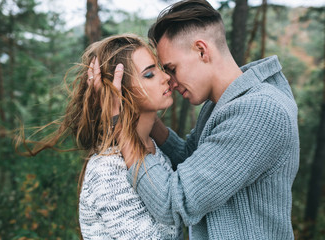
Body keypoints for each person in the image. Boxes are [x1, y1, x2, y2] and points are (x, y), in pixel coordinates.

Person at [90, 0, 300, 239]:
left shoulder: (259, 111)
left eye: (172, 68)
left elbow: (173, 203)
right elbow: (192, 159)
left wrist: (123, 131)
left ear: (202, 50)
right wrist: (136, 110)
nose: (170, 80)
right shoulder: (221, 103)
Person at [16, 34, 182, 239]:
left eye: (160, 68)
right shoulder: (108, 168)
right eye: (149, 74)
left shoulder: (155, 150)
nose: (166, 77)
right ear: (120, 91)